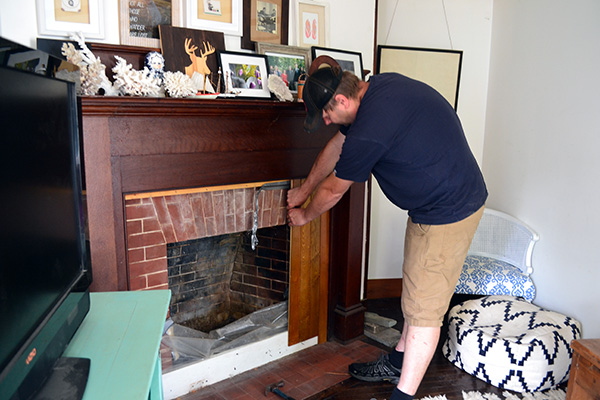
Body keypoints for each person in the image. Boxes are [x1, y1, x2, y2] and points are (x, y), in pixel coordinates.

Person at [287, 58, 487, 400]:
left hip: (450, 209)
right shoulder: (377, 89)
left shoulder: (371, 128)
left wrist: (305, 216)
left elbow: (336, 189)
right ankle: (397, 361)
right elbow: (338, 147)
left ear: (342, 100)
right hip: (431, 205)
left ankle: (403, 395)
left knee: (424, 310)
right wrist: (304, 190)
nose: (325, 120)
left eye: (326, 113)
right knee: (414, 288)